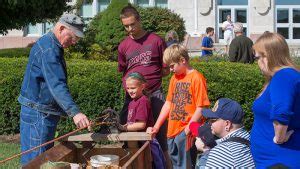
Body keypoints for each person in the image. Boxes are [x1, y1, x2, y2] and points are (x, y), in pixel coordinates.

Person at [18, 14, 90, 165]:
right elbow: (56, 85)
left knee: (42, 161)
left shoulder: (51, 44)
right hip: (39, 116)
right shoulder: (49, 49)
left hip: (40, 113)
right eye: (73, 36)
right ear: (62, 28)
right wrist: (75, 113)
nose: (75, 42)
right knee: (37, 163)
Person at [117, 4, 171, 167]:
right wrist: (133, 88)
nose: (130, 28)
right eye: (126, 26)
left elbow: (166, 68)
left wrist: (149, 81)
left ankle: (166, 166)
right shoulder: (123, 45)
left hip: (154, 94)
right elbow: (123, 70)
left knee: (159, 135)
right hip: (132, 97)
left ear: (139, 20)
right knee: (130, 136)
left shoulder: (156, 40)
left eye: (132, 24)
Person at [147, 44, 210, 169]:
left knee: (185, 166)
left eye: (172, 66)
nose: (170, 70)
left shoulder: (196, 77)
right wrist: (157, 126)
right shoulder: (174, 79)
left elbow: (201, 107)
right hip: (172, 131)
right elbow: (168, 103)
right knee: (176, 165)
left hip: (187, 132)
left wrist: (187, 130)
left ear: (182, 60)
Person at [251, 32, 300, 168]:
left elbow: (282, 112)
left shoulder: (284, 76)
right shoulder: (283, 76)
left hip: (280, 161)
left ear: (268, 56)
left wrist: (279, 138)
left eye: (258, 58)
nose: (257, 62)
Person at [118, 72, 166, 169]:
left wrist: (123, 127)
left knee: (143, 165)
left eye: (133, 88)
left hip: (144, 143)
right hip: (135, 141)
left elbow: (141, 125)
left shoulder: (143, 101)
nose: (130, 91)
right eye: (128, 88)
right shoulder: (132, 102)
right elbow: (132, 122)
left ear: (142, 86)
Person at [197, 98, 255, 168]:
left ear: (227, 124)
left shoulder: (223, 151)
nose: (209, 123)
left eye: (213, 120)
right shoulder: (250, 140)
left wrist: (205, 151)